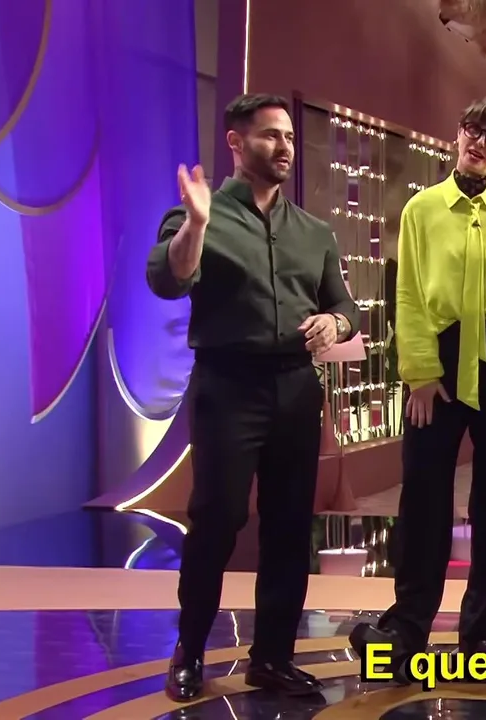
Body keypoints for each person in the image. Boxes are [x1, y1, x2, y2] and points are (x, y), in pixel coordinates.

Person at [147, 93, 358, 702]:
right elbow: (167, 279)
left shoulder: (314, 231)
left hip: (296, 388)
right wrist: (196, 225)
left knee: (290, 526)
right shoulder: (197, 214)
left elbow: (344, 304)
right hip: (227, 384)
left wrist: (336, 324)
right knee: (217, 520)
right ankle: (189, 652)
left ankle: (273, 658)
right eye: (271, 135)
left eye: (289, 136)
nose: (285, 146)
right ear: (236, 143)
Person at [348, 93, 486, 677]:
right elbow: (408, 294)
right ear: (457, 133)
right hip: (436, 362)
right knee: (423, 496)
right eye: (473, 130)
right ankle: (407, 627)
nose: (479, 142)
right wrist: (419, 372)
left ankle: (484, 632)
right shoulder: (421, 209)